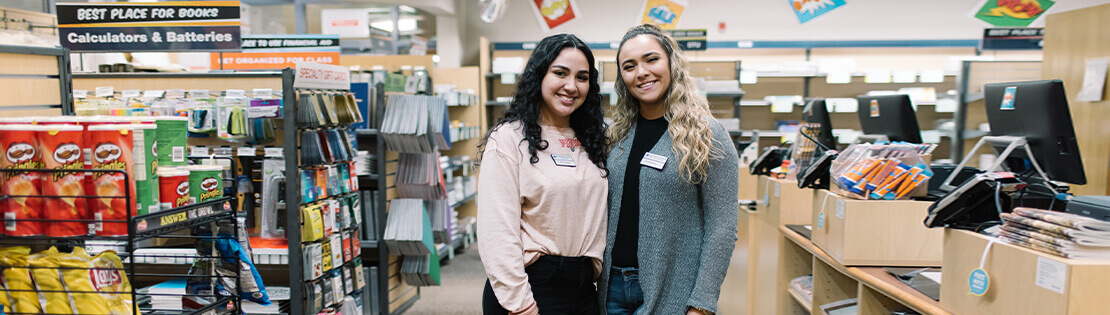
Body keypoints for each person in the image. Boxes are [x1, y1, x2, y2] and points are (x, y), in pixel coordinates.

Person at [600, 23, 739, 315]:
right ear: (622, 78)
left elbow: (722, 228)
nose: (641, 72)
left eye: (651, 59)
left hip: (673, 290)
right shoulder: (616, 136)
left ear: (671, 62)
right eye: (629, 66)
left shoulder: (708, 134)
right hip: (611, 288)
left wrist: (702, 303)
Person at [477, 33, 609, 315]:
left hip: (584, 290)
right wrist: (521, 305)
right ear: (539, 76)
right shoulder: (509, 139)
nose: (571, 86)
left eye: (582, 77)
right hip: (531, 288)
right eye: (560, 73)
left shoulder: (592, 139)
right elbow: (496, 232)